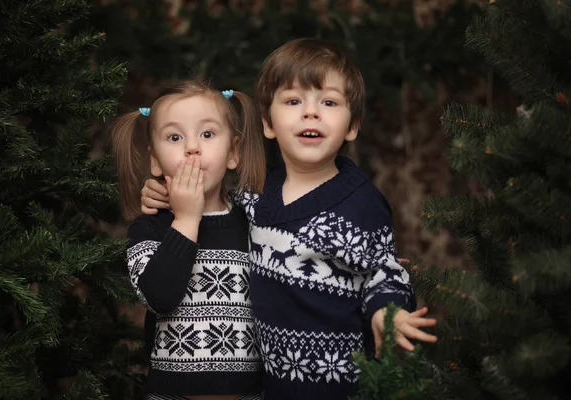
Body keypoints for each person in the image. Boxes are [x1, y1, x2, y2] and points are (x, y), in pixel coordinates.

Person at [140, 39, 437, 400]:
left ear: (352, 126)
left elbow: (385, 270)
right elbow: (213, 204)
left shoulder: (360, 204)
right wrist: (162, 194)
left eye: (328, 102)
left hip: (340, 384)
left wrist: (387, 314)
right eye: (294, 101)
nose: (310, 113)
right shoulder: (257, 194)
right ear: (268, 123)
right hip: (273, 386)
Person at [111, 80, 266, 400]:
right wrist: (185, 220)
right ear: (154, 161)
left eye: (207, 134)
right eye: (174, 137)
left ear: (233, 151)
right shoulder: (148, 229)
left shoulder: (254, 217)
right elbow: (160, 297)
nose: (192, 147)